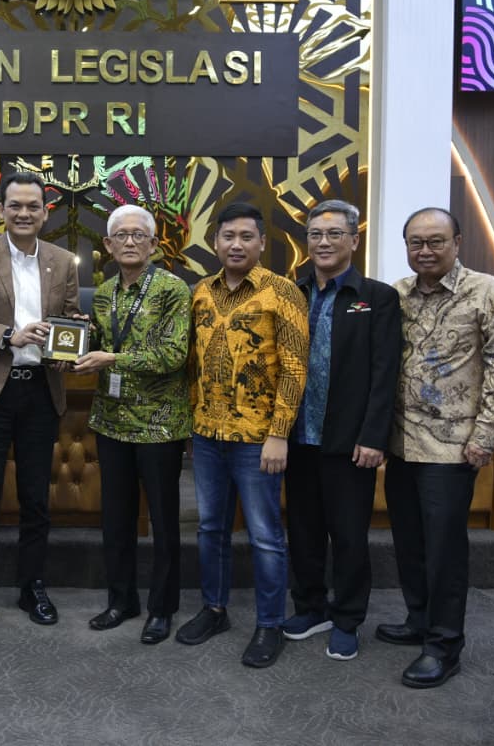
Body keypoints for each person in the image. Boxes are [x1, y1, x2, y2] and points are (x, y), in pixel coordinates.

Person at [378, 207, 494, 689]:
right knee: (409, 542)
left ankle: (444, 644)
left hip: (452, 449)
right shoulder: (397, 294)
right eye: (415, 242)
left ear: (457, 242)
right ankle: (418, 619)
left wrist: (485, 438)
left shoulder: (486, 291)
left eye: (435, 241)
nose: (425, 251)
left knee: (444, 551)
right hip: (401, 442)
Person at [176, 201, 308, 669]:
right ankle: (214, 610)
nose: (236, 244)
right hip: (208, 435)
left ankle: (270, 624)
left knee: (265, 536)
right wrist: (193, 422)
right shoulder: (200, 292)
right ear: (215, 242)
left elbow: (295, 369)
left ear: (261, 243)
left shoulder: (282, 292)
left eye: (246, 236)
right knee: (210, 529)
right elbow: (192, 364)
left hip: (258, 439)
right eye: (228, 236)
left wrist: (279, 434)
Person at [0, 171, 81, 638]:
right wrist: (9, 336)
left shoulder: (62, 260)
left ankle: (32, 587)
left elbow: (70, 317)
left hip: (41, 391)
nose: (24, 213)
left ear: (46, 212)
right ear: (1, 210)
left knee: (35, 499)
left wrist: (72, 340)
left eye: (33, 206)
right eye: (15, 206)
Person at [281, 200, 401, 662]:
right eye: (315, 234)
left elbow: (385, 373)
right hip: (298, 437)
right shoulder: (292, 292)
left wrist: (373, 437)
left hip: (350, 443)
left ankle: (347, 618)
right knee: (303, 532)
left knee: (349, 535)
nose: (324, 242)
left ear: (354, 239)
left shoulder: (376, 297)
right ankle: (311, 607)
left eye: (334, 234)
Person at [73, 206, 191, 645]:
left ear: (154, 244)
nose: (129, 241)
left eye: (138, 235)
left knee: (163, 521)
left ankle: (162, 608)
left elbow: (173, 356)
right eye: (120, 235)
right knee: (116, 520)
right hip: (112, 422)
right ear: (107, 245)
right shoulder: (103, 294)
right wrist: (80, 341)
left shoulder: (172, 289)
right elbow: (100, 345)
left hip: (160, 425)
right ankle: (121, 600)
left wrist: (112, 358)